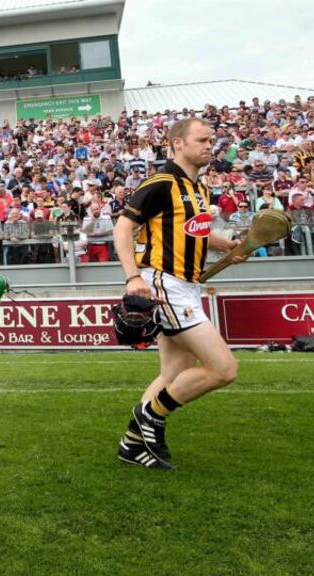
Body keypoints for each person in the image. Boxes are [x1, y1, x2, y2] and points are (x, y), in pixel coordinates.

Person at [113, 118, 247, 470]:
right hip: (165, 284)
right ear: (176, 144)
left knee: (175, 372)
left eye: (211, 140)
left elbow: (197, 232)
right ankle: (150, 416)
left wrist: (227, 247)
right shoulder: (161, 183)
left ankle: (131, 445)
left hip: (188, 286)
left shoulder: (199, 189)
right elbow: (123, 228)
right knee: (223, 368)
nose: (209, 146)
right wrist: (132, 278)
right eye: (201, 140)